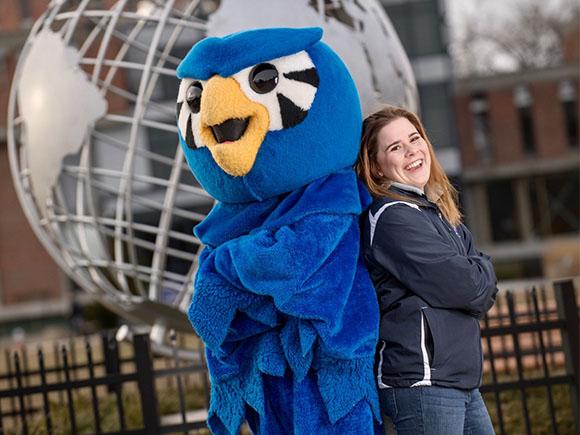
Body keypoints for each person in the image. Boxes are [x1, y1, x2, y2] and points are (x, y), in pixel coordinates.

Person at [355, 105, 498, 435]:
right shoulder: (393, 216)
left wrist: (479, 271)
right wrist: (478, 271)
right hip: (421, 384)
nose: (411, 151)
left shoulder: (434, 212)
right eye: (395, 147)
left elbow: (482, 279)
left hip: (458, 380)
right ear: (376, 167)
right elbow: (470, 287)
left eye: (414, 138)